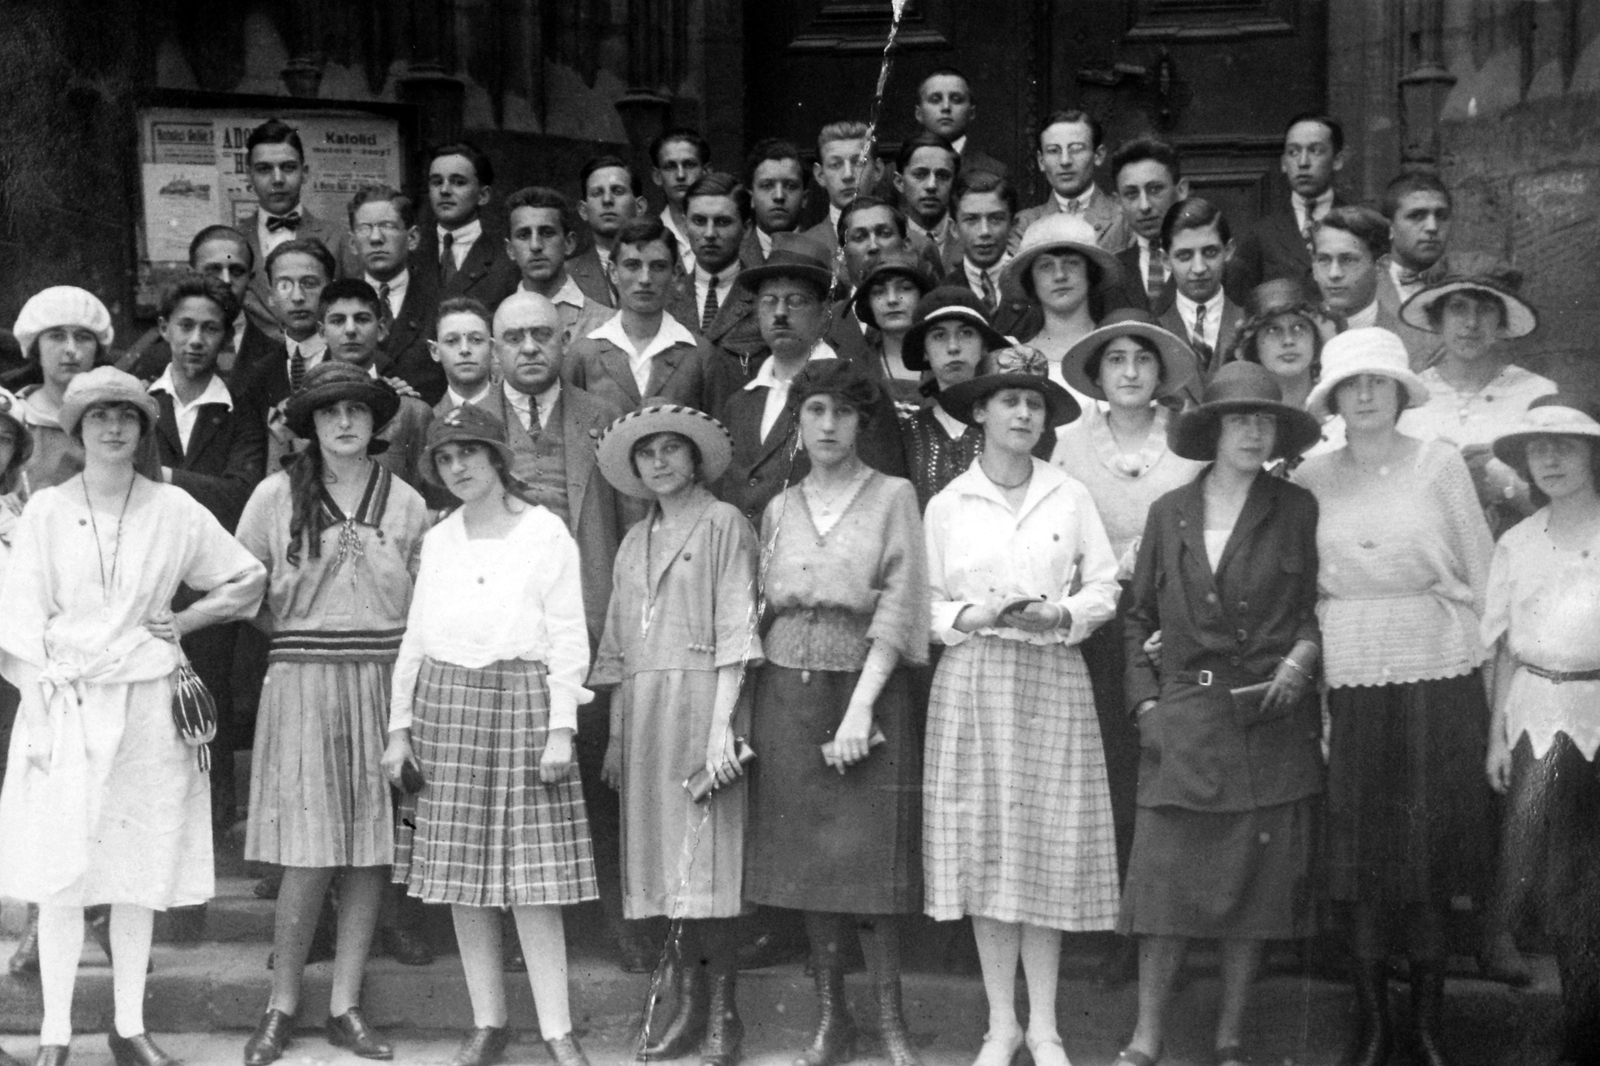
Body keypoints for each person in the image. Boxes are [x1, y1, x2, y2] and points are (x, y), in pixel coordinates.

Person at [0, 367, 266, 1066]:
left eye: (127, 417)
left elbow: (246, 578)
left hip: (148, 703)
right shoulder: (48, 512)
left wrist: (179, 620)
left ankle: (127, 1025)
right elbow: (18, 619)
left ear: (144, 430)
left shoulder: (172, 508)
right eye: (98, 418)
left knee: (137, 867)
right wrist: (40, 698)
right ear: (78, 430)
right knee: (63, 874)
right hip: (67, 702)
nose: (113, 428)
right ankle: (56, 1032)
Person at [1295, 328, 1495, 1066]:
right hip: (1351, 671)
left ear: (1403, 391)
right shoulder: (1312, 477)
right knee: (1364, 858)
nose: (1368, 393)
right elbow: (1306, 591)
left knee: (1429, 856)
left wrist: (1483, 674)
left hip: (1439, 670)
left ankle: (1431, 1029)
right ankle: (1377, 1027)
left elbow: (1483, 571)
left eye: (1381, 380)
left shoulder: (1439, 465)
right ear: (1336, 398)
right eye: (1353, 383)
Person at [1117, 360, 1324, 1066]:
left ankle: (1231, 1038)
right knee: (1164, 890)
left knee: (1254, 895)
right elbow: (1135, 617)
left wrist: (1302, 658)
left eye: (1263, 420)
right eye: (1238, 419)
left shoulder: (1296, 508)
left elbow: (1316, 609)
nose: (1251, 431)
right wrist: (1146, 702)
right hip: (1185, 718)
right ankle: (1146, 1037)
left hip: (1268, 718)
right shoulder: (1168, 511)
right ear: (1211, 430)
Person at [383, 404, 599, 1066]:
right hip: (447, 705)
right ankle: (488, 1021)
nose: (458, 468)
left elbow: (567, 634)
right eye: (445, 459)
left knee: (533, 880)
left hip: (525, 705)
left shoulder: (545, 532)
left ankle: (557, 1028)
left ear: (497, 457)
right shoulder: (441, 536)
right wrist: (400, 729)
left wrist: (562, 727)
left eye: (469, 453)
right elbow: (417, 636)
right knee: (460, 877)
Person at [922, 348, 1120, 1066]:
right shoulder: (948, 504)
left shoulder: (1068, 495)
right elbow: (926, 604)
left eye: (1035, 403)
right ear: (980, 410)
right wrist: (977, 615)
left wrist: (1062, 614)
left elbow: (1104, 586)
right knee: (985, 850)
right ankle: (1000, 1024)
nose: (1024, 414)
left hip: (1050, 675)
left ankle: (1047, 1026)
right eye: (1009, 401)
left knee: (1047, 850)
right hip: (975, 679)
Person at [235, 361, 429, 1066]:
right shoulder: (271, 496)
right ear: (309, 425)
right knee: (309, 851)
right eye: (328, 412)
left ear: (375, 422)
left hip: (383, 680)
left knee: (372, 846)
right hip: (303, 678)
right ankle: (281, 1003)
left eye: (356, 411)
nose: (344, 423)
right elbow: (240, 585)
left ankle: (346, 1003)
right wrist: (296, 637)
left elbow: (424, 602)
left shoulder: (406, 501)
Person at [745, 359, 931, 1066]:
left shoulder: (893, 496)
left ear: (862, 422)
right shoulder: (780, 507)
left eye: (843, 413)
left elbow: (900, 601)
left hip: (866, 691)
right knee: (808, 863)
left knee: (868, 863)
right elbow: (761, 607)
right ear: (798, 419)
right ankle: (832, 1019)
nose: (828, 425)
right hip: (786, 694)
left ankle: (890, 1021)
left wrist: (861, 708)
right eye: (815, 410)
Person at [589, 399, 759, 1066]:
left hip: (705, 701)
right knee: (666, 864)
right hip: (646, 709)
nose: (660, 461)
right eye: (647, 452)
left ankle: (723, 1013)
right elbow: (620, 642)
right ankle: (685, 1002)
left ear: (695, 458)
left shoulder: (724, 524)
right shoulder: (636, 540)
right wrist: (614, 735)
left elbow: (738, 633)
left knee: (709, 858)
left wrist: (722, 730)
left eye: (672, 448)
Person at [472, 292, 640, 966]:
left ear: (565, 340)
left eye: (544, 334)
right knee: (513, 784)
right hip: (504, 636)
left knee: (600, 784)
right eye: (515, 338)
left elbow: (633, 531)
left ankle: (616, 924)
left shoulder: (604, 418)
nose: (531, 348)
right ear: (493, 348)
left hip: (590, 625)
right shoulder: (468, 423)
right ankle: (521, 927)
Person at [1051, 309, 1202, 912]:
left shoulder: (1190, 440)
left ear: (1161, 371)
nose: (1131, 372)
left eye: (1143, 359)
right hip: (1099, 634)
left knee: (1169, 765)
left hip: (1177, 630)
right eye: (1116, 359)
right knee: (1109, 769)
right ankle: (1114, 916)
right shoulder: (1068, 444)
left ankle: (1169, 911)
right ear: (1097, 373)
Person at [1482, 396, 1600, 1060]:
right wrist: (1496, 737)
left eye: (1567, 446)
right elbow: (1503, 648)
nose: (1551, 459)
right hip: (1535, 722)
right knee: (1561, 883)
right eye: (1539, 449)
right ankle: (1578, 1025)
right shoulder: (1517, 542)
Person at [146, 273, 268, 852]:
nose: (196, 339)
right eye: (186, 326)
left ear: (226, 337)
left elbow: (241, 493)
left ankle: (212, 837)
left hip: (208, 585)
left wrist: (165, 477)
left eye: (210, 329)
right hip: (147, 578)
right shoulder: (141, 403)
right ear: (165, 328)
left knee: (208, 704)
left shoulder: (239, 408)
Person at [713, 234, 906, 525]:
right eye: (769, 301)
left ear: (825, 313)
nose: (779, 313)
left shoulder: (858, 392)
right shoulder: (740, 402)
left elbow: (885, 502)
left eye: (795, 301)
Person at [1397, 260, 1555, 538]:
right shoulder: (1407, 397)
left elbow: (1567, 509)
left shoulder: (1537, 394)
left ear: (1501, 321)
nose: (1471, 323)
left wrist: (1501, 483)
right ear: (1438, 318)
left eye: (1486, 309)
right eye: (1458, 307)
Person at [567, 217, 723, 414]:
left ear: (675, 274)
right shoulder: (584, 354)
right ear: (613, 272)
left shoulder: (699, 355)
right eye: (632, 265)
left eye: (658, 266)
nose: (645, 279)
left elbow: (716, 436)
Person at [238, 118, 354, 341]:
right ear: (248, 176)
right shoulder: (235, 242)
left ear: (305, 172)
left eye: (288, 167)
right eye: (264, 169)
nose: (278, 179)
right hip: (255, 368)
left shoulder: (337, 238)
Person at [118, 226, 279, 383]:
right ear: (191, 274)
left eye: (237, 271)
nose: (226, 280)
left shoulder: (277, 354)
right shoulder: (156, 356)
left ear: (250, 279)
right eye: (213, 270)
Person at [897, 289, 1008, 510]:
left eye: (966, 333)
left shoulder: (1013, 420)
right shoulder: (909, 433)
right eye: (939, 336)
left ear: (985, 345)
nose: (953, 347)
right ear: (925, 351)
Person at [1226, 113, 1349, 299]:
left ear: (1337, 160)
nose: (1303, 162)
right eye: (1293, 152)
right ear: (1283, 163)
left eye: (1315, 151)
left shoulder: (1360, 224)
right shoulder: (1261, 235)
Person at [1001, 213, 1123, 397]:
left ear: (1090, 272)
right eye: (1046, 266)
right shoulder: (1017, 358)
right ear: (1031, 279)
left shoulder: (1118, 348)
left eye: (1071, 263)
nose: (1060, 275)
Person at [10, 285, 115, 494]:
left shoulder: (120, 418)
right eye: (57, 336)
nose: (71, 349)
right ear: (35, 346)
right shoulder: (10, 418)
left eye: (83, 337)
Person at [349, 185, 447, 404]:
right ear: (352, 243)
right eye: (365, 228)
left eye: (388, 226)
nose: (375, 238)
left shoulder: (441, 303)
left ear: (412, 238)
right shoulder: (336, 305)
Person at [668, 172, 766, 370]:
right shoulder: (666, 300)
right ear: (685, 226)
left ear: (746, 229)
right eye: (699, 221)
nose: (710, 234)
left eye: (722, 222)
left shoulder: (764, 299)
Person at [1156, 198, 1246, 394]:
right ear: (1165, 260)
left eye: (1210, 252)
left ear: (1228, 251)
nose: (1199, 268)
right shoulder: (1155, 330)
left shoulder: (1250, 325)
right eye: (1185, 256)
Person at [505, 185, 613, 346]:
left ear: (569, 243)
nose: (535, 246)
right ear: (510, 249)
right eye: (524, 235)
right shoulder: (499, 321)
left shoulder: (608, 323)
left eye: (547, 233)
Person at [418, 142, 518, 307]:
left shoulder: (506, 261)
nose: (444, 190)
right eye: (436, 182)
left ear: (483, 195)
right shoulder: (412, 256)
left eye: (458, 182)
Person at [1015, 109, 1129, 251]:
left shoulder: (1124, 220)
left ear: (1098, 155)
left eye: (1076, 149)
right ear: (1041, 161)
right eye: (1053, 150)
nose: (1065, 161)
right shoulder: (1024, 225)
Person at [946, 172, 1040, 339]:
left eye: (996, 219)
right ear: (954, 229)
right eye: (971, 220)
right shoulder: (943, 293)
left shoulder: (1034, 289)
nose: (984, 232)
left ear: (1013, 225)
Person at [1378, 172, 1455, 369]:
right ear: (1390, 227)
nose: (1432, 227)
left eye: (1441, 216)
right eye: (1416, 216)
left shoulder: (1464, 285)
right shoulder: (1365, 286)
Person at [1104, 138, 1188, 314]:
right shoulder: (1109, 275)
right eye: (1131, 194)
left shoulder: (1220, 267)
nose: (1144, 206)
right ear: (1118, 203)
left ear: (1181, 190)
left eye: (1155, 189)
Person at [853, 252, 936, 409]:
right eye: (879, 292)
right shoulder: (855, 372)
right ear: (868, 303)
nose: (892, 299)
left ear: (923, 295)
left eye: (904, 288)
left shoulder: (950, 362)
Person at [571, 156, 644, 307]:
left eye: (617, 191)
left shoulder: (662, 266)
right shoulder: (567, 274)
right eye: (597, 193)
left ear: (639, 207)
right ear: (583, 211)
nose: (607, 200)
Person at [1310, 205, 1396, 333]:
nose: (1334, 274)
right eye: (1324, 260)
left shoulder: (1408, 340)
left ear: (1381, 267)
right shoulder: (1302, 332)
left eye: (1348, 260)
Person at [913, 68, 1007, 178]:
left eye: (956, 100)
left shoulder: (995, 171)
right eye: (935, 100)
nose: (946, 107)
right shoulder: (895, 171)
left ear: (971, 113)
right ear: (919, 114)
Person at [803, 121, 880, 257]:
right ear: (820, 175)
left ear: (878, 170)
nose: (848, 175)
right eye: (835, 165)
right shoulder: (804, 248)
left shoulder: (910, 244)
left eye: (859, 163)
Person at [893, 132, 962, 270]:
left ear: (953, 184)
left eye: (943, 176)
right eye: (920, 175)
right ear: (900, 182)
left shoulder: (967, 239)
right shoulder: (890, 243)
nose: (932, 185)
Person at [651, 128, 711, 277]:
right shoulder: (650, 236)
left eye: (689, 164)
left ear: (706, 171)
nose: (680, 175)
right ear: (657, 176)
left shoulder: (725, 231)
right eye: (670, 167)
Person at [430, 297, 498, 414]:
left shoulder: (520, 414)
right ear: (435, 351)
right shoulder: (428, 421)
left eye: (476, 340)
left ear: (492, 348)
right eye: (451, 341)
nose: (464, 349)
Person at [743, 139, 807, 261]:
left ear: (805, 198)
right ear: (751, 198)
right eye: (767, 185)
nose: (779, 196)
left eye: (790, 186)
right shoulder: (732, 253)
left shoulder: (824, 254)